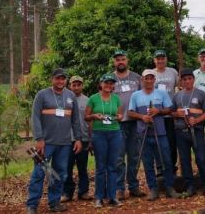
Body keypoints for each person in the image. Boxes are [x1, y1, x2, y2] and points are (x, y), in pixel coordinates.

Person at [26, 68, 82, 214]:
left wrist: (77, 138)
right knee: (39, 172)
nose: (60, 81)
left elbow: (76, 120)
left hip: (64, 143)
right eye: (57, 78)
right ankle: (32, 205)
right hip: (46, 144)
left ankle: (54, 203)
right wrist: (39, 138)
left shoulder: (70, 96)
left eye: (63, 78)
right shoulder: (42, 95)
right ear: (52, 79)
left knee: (59, 173)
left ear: (65, 80)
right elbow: (35, 117)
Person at [128, 69, 180, 201]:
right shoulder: (136, 95)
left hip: (160, 132)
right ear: (142, 80)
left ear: (154, 80)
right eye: (146, 78)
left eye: (151, 78)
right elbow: (130, 113)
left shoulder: (161, 93)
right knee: (147, 162)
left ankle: (169, 188)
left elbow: (170, 109)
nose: (149, 80)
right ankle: (153, 189)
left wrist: (158, 111)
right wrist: (142, 117)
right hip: (143, 133)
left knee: (166, 161)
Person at [172, 68, 205, 197]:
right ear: (181, 81)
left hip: (197, 131)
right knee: (185, 160)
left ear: (193, 79)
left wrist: (196, 121)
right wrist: (176, 114)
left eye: (189, 78)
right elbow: (172, 113)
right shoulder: (177, 96)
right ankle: (190, 186)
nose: (187, 81)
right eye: (184, 79)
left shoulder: (201, 94)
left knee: (201, 159)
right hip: (181, 132)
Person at [111, 50, 146, 200]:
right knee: (118, 157)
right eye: (117, 59)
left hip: (135, 123)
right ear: (114, 62)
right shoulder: (109, 79)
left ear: (127, 60)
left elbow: (143, 95)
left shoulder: (137, 78)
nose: (120, 62)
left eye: (123, 59)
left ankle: (133, 187)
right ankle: (119, 188)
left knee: (134, 156)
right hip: (118, 123)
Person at [85, 74, 123, 208]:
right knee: (101, 167)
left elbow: (120, 115)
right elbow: (86, 117)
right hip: (99, 133)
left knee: (113, 166)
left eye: (111, 83)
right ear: (100, 84)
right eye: (106, 83)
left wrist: (119, 116)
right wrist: (94, 116)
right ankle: (99, 197)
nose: (108, 85)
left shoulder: (116, 99)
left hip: (115, 132)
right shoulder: (93, 99)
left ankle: (112, 196)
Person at [61, 76, 92, 202]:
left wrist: (91, 139)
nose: (76, 87)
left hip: (83, 137)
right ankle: (67, 192)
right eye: (74, 85)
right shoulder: (64, 99)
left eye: (79, 85)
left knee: (82, 167)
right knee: (67, 166)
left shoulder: (88, 100)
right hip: (68, 138)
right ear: (69, 86)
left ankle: (83, 191)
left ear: (82, 86)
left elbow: (90, 121)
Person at [153, 50, 179, 174]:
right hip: (157, 114)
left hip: (170, 113)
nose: (160, 61)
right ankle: (159, 169)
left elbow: (179, 88)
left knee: (171, 142)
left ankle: (172, 167)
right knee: (158, 141)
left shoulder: (173, 72)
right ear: (154, 60)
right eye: (158, 59)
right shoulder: (151, 73)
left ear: (166, 59)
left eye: (162, 58)